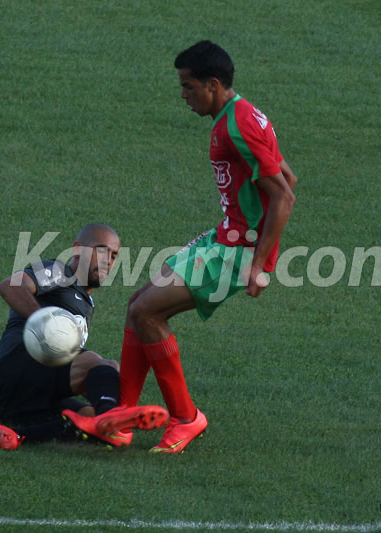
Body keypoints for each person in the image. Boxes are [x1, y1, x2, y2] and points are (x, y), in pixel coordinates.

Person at [100, 41, 299, 453]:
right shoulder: (245, 114)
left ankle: (186, 417)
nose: (183, 95)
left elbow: (284, 196)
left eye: (188, 86)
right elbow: (289, 177)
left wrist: (259, 264)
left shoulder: (236, 126)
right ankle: (120, 417)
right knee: (139, 304)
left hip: (237, 250)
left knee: (145, 312)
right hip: (225, 236)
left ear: (213, 84)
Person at [0, 223, 169, 450]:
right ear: (78, 250)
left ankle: (16, 436)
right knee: (104, 366)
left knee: (89, 417)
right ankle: (111, 416)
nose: (108, 260)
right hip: (15, 368)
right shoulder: (60, 272)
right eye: (101, 250)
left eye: (113, 255)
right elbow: (10, 285)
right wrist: (45, 322)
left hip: (19, 402)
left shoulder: (85, 303)